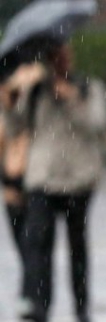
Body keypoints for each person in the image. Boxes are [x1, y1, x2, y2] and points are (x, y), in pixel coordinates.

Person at [15, 42, 106, 322]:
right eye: (55, 57)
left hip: (78, 179)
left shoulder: (87, 87)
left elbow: (96, 122)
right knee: (39, 242)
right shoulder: (35, 90)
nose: (60, 62)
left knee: (77, 245)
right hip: (43, 179)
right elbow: (16, 123)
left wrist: (71, 98)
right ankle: (39, 306)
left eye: (64, 56)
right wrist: (14, 91)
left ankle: (81, 306)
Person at [0, 63, 46, 299]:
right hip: (11, 183)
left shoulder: (33, 110)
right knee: (24, 247)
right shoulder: (6, 120)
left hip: (31, 183)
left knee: (33, 244)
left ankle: (34, 295)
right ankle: (32, 294)